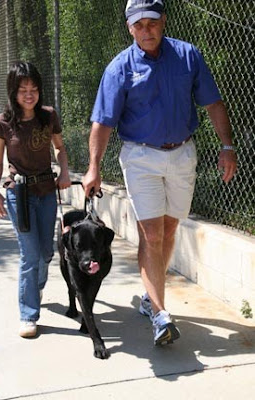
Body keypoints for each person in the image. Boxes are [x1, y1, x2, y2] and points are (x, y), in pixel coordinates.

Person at [82, 0, 237, 346]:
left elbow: (213, 102)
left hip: (182, 154)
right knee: (152, 235)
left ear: (163, 21)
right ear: (129, 27)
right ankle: (160, 314)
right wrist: (93, 167)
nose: (146, 30)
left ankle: (150, 295)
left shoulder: (187, 56)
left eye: (151, 22)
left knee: (168, 231)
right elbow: (102, 122)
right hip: (140, 157)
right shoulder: (119, 68)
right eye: (138, 25)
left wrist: (227, 146)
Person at [0, 61, 71, 338]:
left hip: (47, 191)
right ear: (13, 91)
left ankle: (34, 288)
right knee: (30, 254)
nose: (28, 94)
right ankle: (28, 314)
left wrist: (65, 171)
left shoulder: (48, 116)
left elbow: (59, 148)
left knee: (46, 253)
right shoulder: (2, 124)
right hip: (18, 194)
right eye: (23, 89)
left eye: (33, 89)